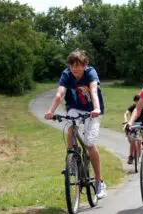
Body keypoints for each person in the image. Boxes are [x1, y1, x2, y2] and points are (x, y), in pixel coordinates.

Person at [44, 49, 107, 198]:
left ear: (85, 65)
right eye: (72, 65)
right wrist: (50, 111)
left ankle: (99, 182)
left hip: (92, 110)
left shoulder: (90, 72)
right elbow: (60, 94)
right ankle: (71, 158)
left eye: (78, 65)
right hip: (74, 108)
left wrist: (97, 108)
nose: (75, 69)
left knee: (89, 143)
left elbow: (93, 90)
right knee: (71, 127)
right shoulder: (66, 74)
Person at [123, 95, 143, 164]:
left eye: (139, 101)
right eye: (136, 101)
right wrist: (126, 120)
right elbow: (126, 113)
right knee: (133, 140)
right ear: (135, 101)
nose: (138, 103)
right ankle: (131, 156)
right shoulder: (132, 107)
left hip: (141, 123)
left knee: (141, 138)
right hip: (133, 123)